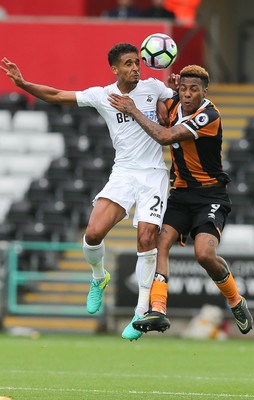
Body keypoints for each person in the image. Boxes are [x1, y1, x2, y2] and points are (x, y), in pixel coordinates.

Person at [1, 44, 179, 341]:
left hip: (153, 175)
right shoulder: (103, 95)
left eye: (138, 62)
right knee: (93, 234)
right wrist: (23, 83)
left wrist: (172, 94)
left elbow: (179, 109)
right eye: (128, 64)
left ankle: (139, 313)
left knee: (147, 238)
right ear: (115, 69)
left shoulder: (154, 87)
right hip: (123, 172)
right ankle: (99, 277)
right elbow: (57, 95)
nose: (136, 68)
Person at [108, 64, 253, 336]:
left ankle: (235, 299)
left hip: (210, 195)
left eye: (194, 89)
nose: (187, 94)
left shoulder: (209, 115)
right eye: (183, 88)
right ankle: (158, 310)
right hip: (181, 194)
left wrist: (133, 109)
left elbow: (165, 136)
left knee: (204, 254)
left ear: (204, 91)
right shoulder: (174, 103)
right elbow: (163, 102)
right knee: (161, 242)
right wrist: (167, 95)